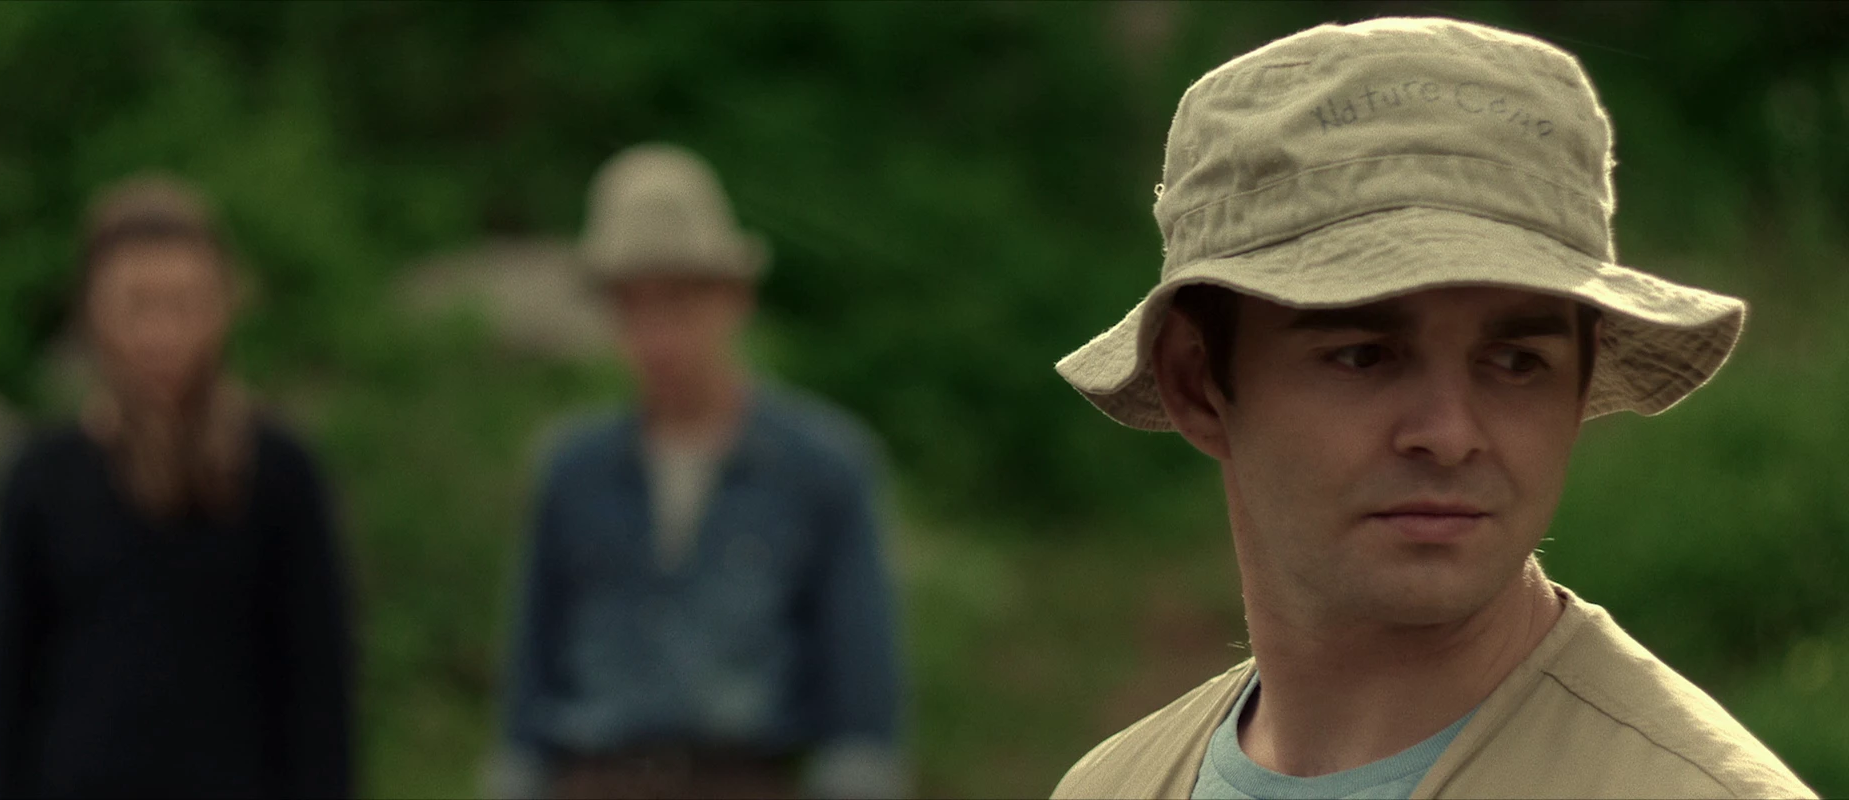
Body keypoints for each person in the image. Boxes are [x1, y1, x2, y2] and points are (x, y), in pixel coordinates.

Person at [1049, 17, 1815, 800]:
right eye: (1363, 356)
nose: (1450, 435)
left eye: (1516, 363)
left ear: (1580, 387)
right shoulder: (1111, 786)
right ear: (1196, 382)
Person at [489, 144, 908, 800]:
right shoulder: (571, 471)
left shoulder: (823, 468)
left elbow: (863, 716)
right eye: (633, 307)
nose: (658, 338)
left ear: (733, 298)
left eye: (678, 303)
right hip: (594, 778)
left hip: (744, 777)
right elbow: (527, 695)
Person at [0, 174, 355, 799]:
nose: (161, 333)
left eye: (185, 303)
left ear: (224, 306)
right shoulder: (42, 479)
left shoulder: (278, 474)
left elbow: (319, 697)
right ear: (92, 312)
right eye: (137, 305)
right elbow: (5, 697)